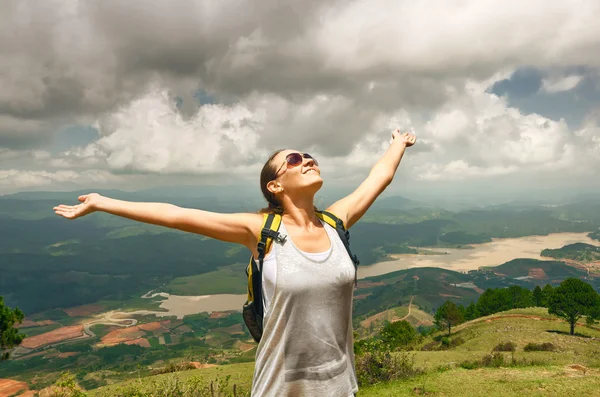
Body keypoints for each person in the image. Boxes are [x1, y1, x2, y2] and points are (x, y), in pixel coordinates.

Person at [53, 129, 416, 396]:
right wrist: (102, 201)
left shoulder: (337, 222)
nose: (307, 160)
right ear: (275, 186)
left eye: (308, 156)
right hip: (280, 388)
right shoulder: (260, 230)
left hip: (341, 385)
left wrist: (398, 142)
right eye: (293, 159)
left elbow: (378, 177)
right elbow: (175, 215)